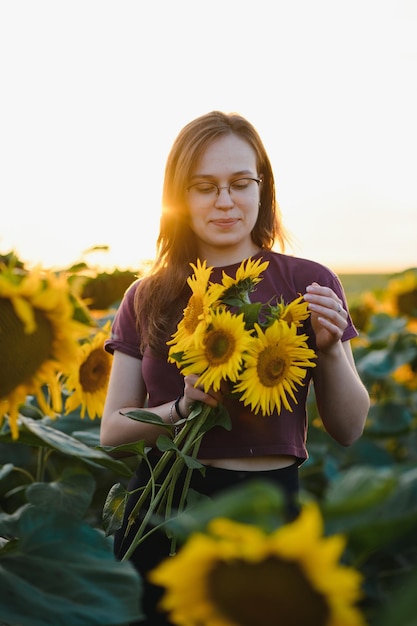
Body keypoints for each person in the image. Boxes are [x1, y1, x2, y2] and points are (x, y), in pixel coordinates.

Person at [100, 110, 370, 625]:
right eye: (205, 187)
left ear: (262, 188)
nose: (225, 201)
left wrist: (331, 348)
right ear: (180, 197)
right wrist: (181, 407)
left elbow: (350, 428)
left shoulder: (308, 281)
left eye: (240, 184)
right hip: (163, 509)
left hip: (268, 507)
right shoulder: (148, 296)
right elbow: (112, 430)